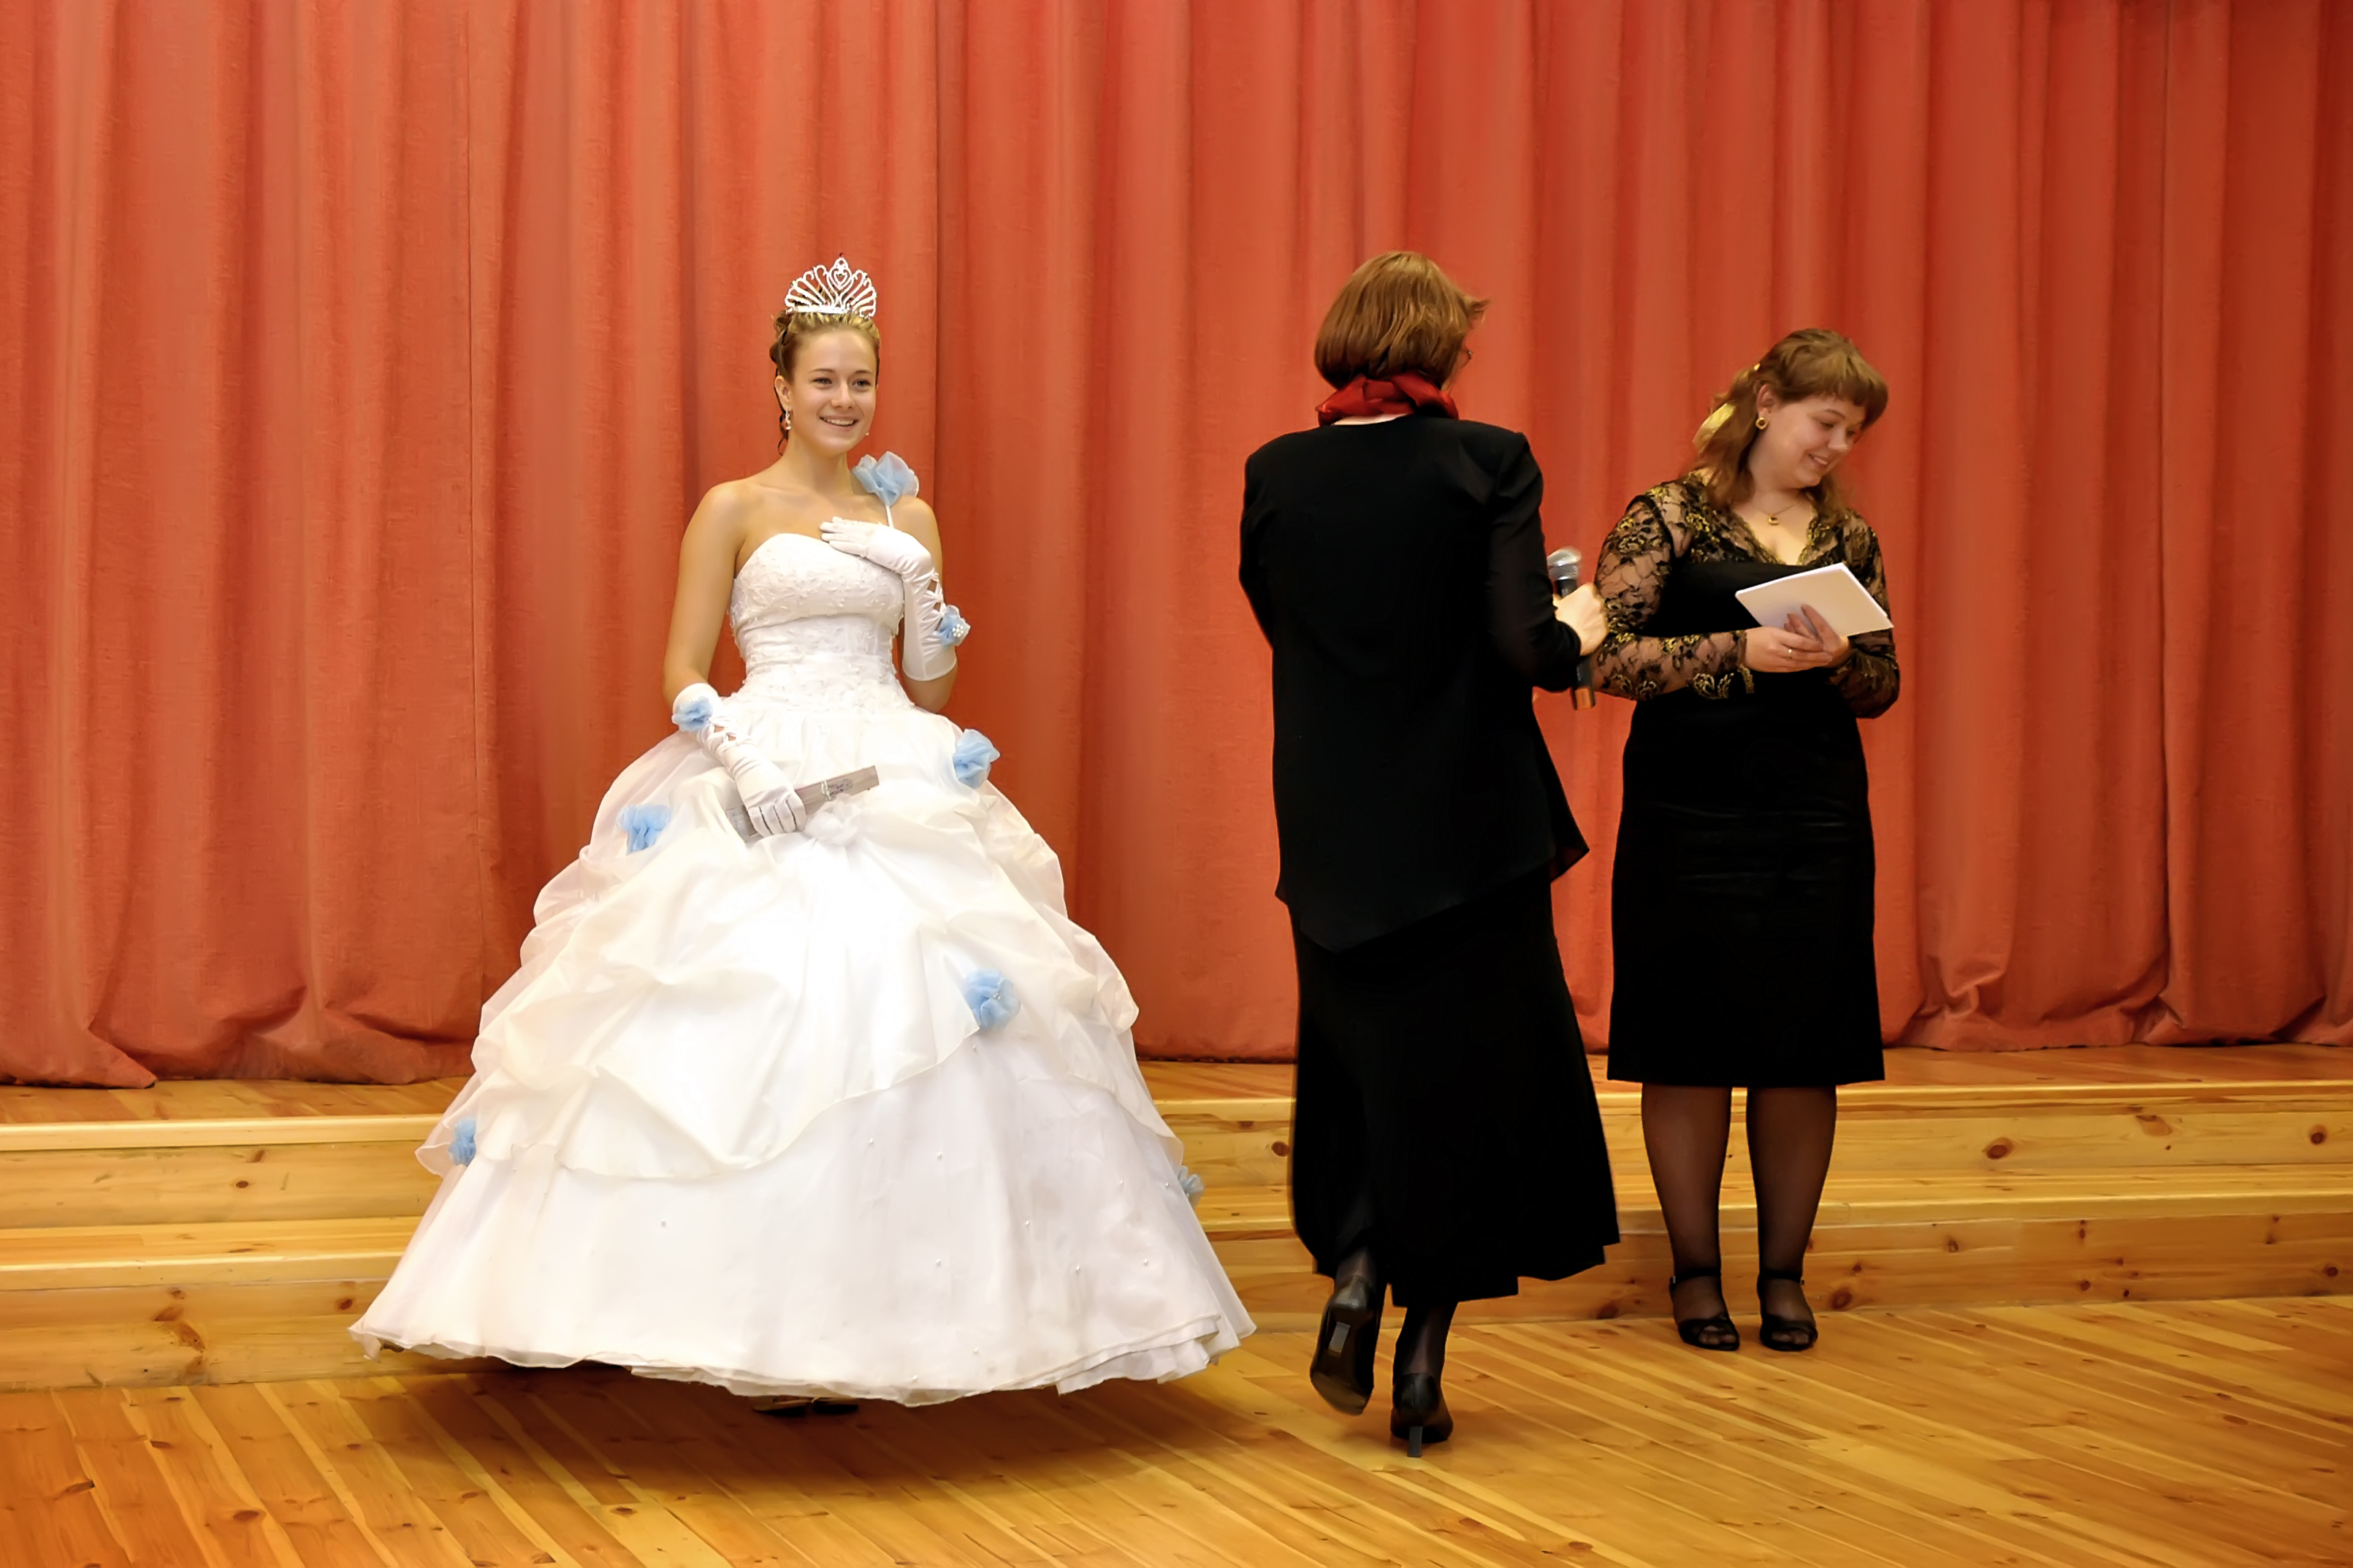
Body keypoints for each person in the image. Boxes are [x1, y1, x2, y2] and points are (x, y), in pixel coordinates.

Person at [354, 256, 1251, 1406]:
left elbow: (930, 684)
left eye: (860, 382)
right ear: (781, 386)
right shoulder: (733, 509)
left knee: (915, 1001)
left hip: (890, 758)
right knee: (751, 1004)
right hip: (761, 754)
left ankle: (890, 1323)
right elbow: (683, 667)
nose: (843, 400)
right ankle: (697, 1313)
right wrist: (742, 759)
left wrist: (921, 589)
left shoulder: (905, 514)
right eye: (823, 380)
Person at [1238, 251, 1620, 1455]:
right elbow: (1523, 647)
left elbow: (1285, 627)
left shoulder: (1276, 471)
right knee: (1461, 1089)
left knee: (1357, 1070)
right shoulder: (1485, 460)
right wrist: (1580, 625)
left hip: (1334, 826)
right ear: (1440, 348)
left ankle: (1355, 1266)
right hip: (1467, 825)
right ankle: (1419, 1363)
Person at [1592, 327, 1899, 1354]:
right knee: (1686, 1043)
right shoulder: (1667, 516)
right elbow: (1601, 657)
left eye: (1851, 435)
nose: (1835, 448)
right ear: (1766, 403)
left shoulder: (1847, 535)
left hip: (1815, 813)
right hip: (1688, 813)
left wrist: (1837, 661)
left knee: (1804, 1043)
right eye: (1826, 423)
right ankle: (1692, 1275)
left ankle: (1782, 1277)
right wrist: (1737, 651)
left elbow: (1884, 682)